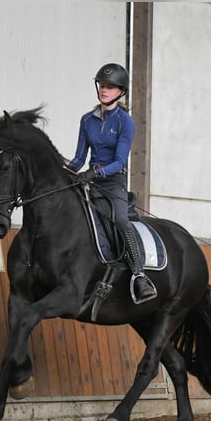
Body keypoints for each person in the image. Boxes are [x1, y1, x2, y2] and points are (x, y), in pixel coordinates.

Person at [66, 63, 157, 302]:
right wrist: (65, 170)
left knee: (119, 219)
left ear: (121, 92)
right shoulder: (87, 120)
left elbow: (118, 161)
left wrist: (96, 174)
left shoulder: (125, 122)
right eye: (102, 86)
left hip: (113, 181)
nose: (104, 90)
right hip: (89, 180)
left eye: (110, 87)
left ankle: (139, 275)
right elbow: (78, 158)